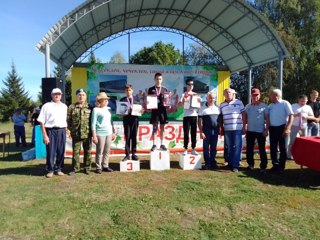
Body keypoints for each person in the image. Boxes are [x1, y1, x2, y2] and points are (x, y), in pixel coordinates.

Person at [37, 88, 68, 178]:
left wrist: (67, 131)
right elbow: (41, 122)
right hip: (50, 130)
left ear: (61, 95)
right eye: (55, 94)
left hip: (62, 130)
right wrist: (45, 135)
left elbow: (66, 120)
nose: (57, 95)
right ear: (52, 95)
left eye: (58, 94)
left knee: (61, 151)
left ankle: (58, 169)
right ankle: (50, 170)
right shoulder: (46, 106)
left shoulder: (64, 106)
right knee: (51, 151)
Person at [243, 88, 269, 173]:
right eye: (253, 95)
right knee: (249, 149)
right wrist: (244, 127)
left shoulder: (264, 106)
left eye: (256, 95)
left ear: (260, 95)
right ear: (251, 96)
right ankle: (250, 165)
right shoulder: (247, 106)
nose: (255, 97)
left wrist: (266, 130)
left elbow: (267, 119)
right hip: (250, 131)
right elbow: (245, 118)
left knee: (262, 149)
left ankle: (263, 167)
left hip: (260, 131)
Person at [67, 89, 93, 175]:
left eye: (83, 95)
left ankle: (87, 168)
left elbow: (93, 120)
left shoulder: (90, 106)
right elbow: (68, 120)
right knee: (75, 152)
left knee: (88, 152)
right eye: (79, 95)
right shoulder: (71, 107)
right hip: (76, 133)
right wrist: (70, 130)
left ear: (85, 96)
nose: (81, 96)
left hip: (87, 133)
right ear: (77, 96)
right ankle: (75, 169)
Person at [219, 88, 245, 172]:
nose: (228, 94)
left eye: (229, 92)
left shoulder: (239, 102)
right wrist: (221, 127)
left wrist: (244, 126)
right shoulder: (222, 104)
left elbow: (244, 114)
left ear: (233, 93)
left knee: (237, 147)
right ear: (224, 95)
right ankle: (230, 163)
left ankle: (235, 165)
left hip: (237, 128)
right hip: (227, 129)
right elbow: (221, 117)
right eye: (226, 93)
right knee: (229, 147)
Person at [268, 89, 293, 172]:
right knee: (273, 148)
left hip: (283, 128)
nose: (269, 97)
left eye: (271, 95)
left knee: (283, 148)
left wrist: (288, 128)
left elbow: (291, 116)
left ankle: (281, 167)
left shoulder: (285, 103)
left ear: (276, 96)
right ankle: (275, 165)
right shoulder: (270, 106)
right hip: (272, 129)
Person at [91, 92, 116, 174]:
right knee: (99, 151)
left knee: (107, 150)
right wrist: (94, 136)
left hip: (109, 132)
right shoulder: (95, 109)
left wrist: (113, 132)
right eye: (104, 99)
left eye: (106, 99)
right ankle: (98, 167)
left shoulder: (108, 109)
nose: (106, 101)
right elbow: (93, 123)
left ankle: (105, 165)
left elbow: (111, 122)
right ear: (100, 101)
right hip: (100, 133)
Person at [119, 84, 143, 161]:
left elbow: (141, 110)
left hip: (135, 119)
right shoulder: (122, 100)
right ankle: (127, 155)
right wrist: (124, 112)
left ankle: (134, 154)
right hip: (126, 120)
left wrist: (141, 111)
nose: (128, 92)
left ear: (132, 90)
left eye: (129, 90)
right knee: (128, 137)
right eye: (127, 90)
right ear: (125, 91)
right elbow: (119, 114)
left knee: (134, 137)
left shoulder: (137, 99)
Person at [198, 92, 221, 170]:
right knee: (206, 147)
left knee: (214, 147)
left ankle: (213, 162)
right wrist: (201, 132)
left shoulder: (218, 108)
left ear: (215, 99)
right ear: (207, 98)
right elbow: (200, 121)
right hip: (206, 130)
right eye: (210, 97)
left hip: (216, 130)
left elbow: (220, 119)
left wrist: (221, 128)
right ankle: (207, 163)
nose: (212, 99)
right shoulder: (202, 108)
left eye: (213, 98)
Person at [287, 95, 315, 159]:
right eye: (302, 101)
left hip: (304, 126)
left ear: (307, 101)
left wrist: (306, 117)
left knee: (304, 141)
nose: (303, 103)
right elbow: (289, 115)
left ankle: (303, 155)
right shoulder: (293, 106)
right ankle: (289, 155)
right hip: (294, 126)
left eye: (305, 101)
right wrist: (296, 115)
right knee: (292, 141)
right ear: (298, 100)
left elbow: (312, 117)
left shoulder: (308, 107)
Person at [148, 72, 169, 151]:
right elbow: (149, 100)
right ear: (154, 79)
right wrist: (148, 104)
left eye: (160, 79)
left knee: (162, 128)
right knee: (154, 128)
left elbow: (168, 101)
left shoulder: (165, 89)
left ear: (162, 80)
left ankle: (162, 144)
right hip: (154, 111)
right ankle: (154, 144)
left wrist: (168, 104)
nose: (158, 80)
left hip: (163, 111)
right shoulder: (151, 89)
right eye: (157, 79)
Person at [178, 79, 200, 155]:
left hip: (194, 115)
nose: (190, 86)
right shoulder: (183, 94)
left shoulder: (196, 94)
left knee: (194, 133)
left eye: (191, 85)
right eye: (188, 85)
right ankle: (185, 149)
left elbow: (199, 106)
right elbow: (179, 105)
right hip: (186, 116)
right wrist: (183, 100)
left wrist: (199, 102)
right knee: (186, 133)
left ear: (193, 86)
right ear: (186, 86)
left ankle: (193, 148)